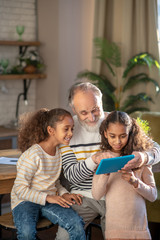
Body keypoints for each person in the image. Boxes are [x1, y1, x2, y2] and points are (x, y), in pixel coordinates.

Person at [56, 82, 160, 240]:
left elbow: (156, 149)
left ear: (101, 102)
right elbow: (72, 176)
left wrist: (143, 157)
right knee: (65, 236)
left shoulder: (117, 122)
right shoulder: (67, 130)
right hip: (83, 197)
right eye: (84, 112)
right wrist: (95, 159)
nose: (91, 117)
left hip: (118, 196)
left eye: (95, 109)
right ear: (74, 110)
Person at [11, 108, 86, 240]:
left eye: (72, 129)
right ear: (51, 130)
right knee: (27, 234)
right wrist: (48, 197)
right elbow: (19, 189)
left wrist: (64, 194)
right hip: (25, 201)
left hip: (49, 199)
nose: (70, 133)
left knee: (76, 224)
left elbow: (54, 182)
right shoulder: (33, 155)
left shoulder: (59, 152)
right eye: (66, 129)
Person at [92, 111, 157, 240]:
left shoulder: (139, 159)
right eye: (112, 136)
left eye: (123, 136)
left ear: (130, 133)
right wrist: (105, 174)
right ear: (105, 134)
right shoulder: (103, 159)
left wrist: (135, 182)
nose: (117, 141)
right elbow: (96, 195)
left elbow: (153, 195)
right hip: (114, 229)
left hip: (139, 229)